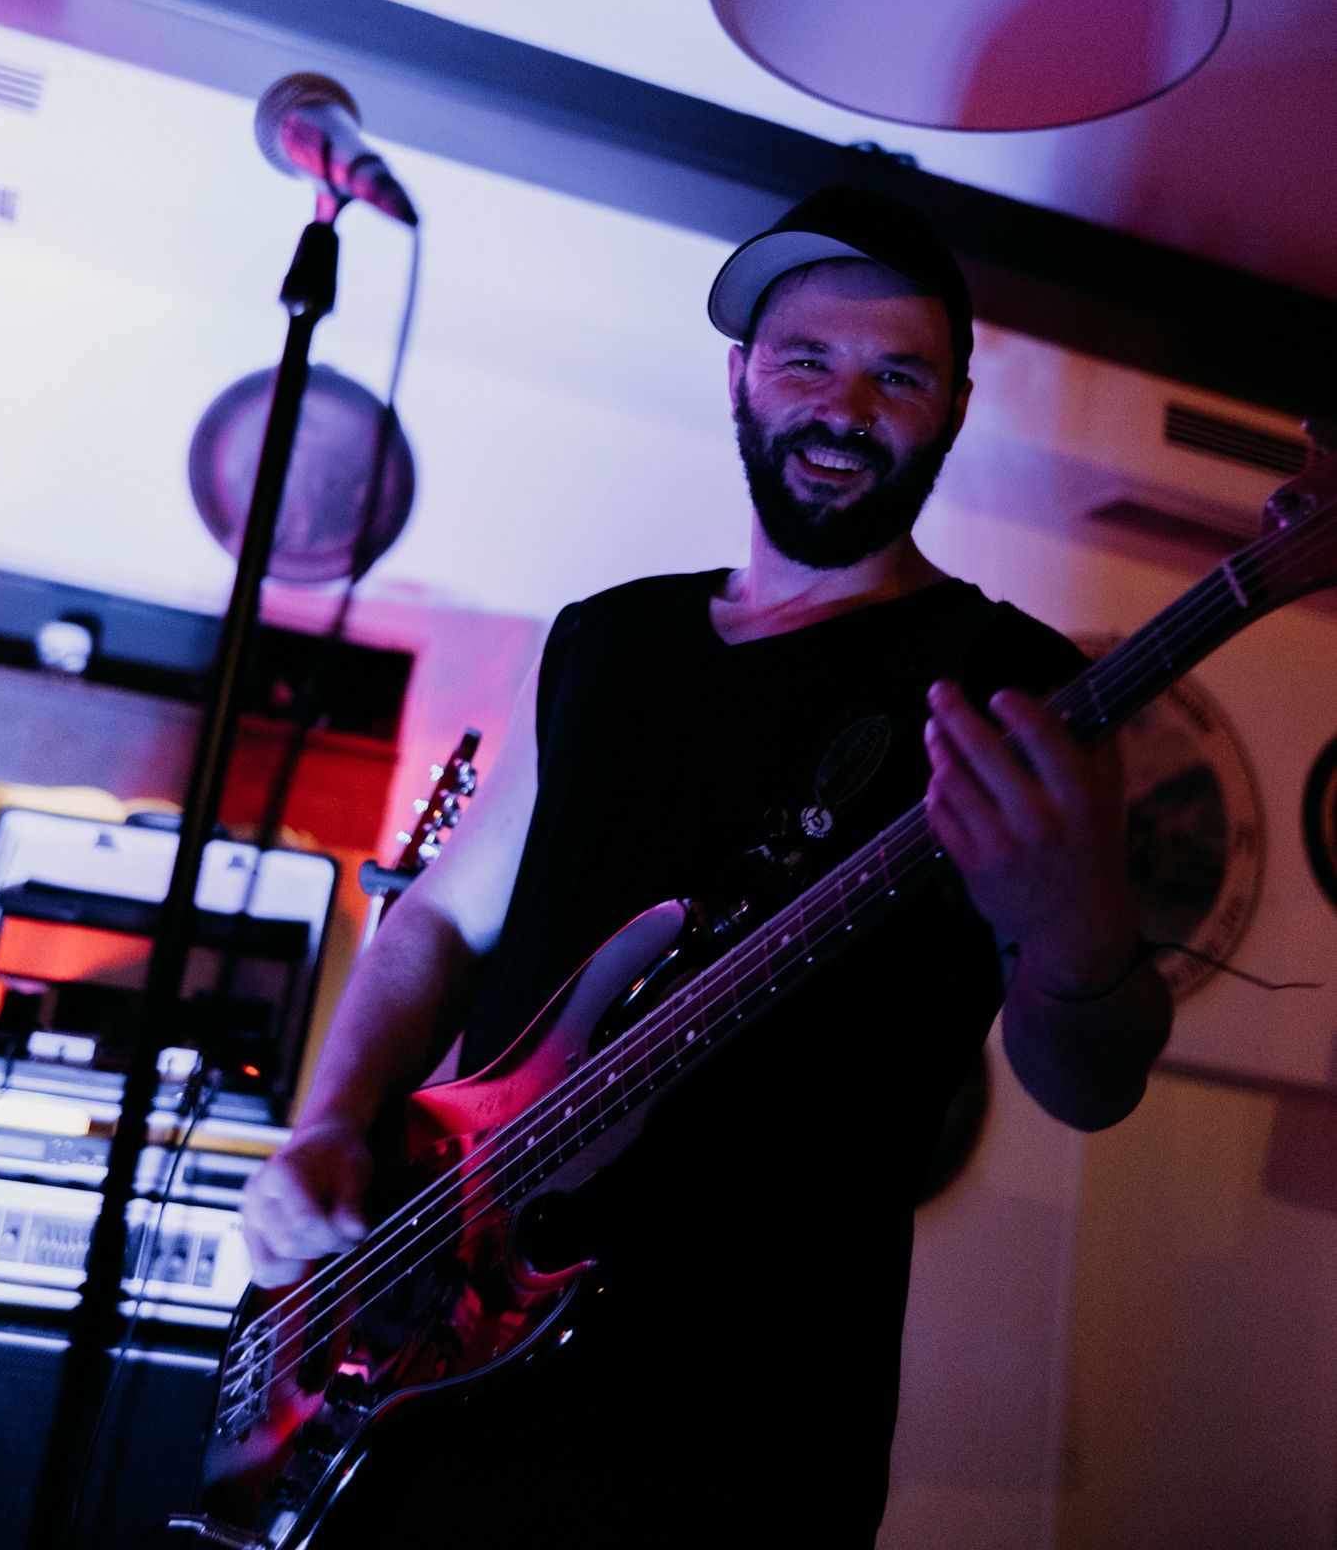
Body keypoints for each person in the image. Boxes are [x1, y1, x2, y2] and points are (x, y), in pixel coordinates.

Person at [243, 187, 1172, 1547]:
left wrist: (1075, 920)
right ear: (740, 374)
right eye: (807, 359)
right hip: (425, 1370)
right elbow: (439, 921)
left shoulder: (1016, 690)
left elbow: (1092, 1082)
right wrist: (329, 1119)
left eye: (898, 374)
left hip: (734, 1436)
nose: (844, 407)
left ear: (955, 407)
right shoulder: (606, 642)